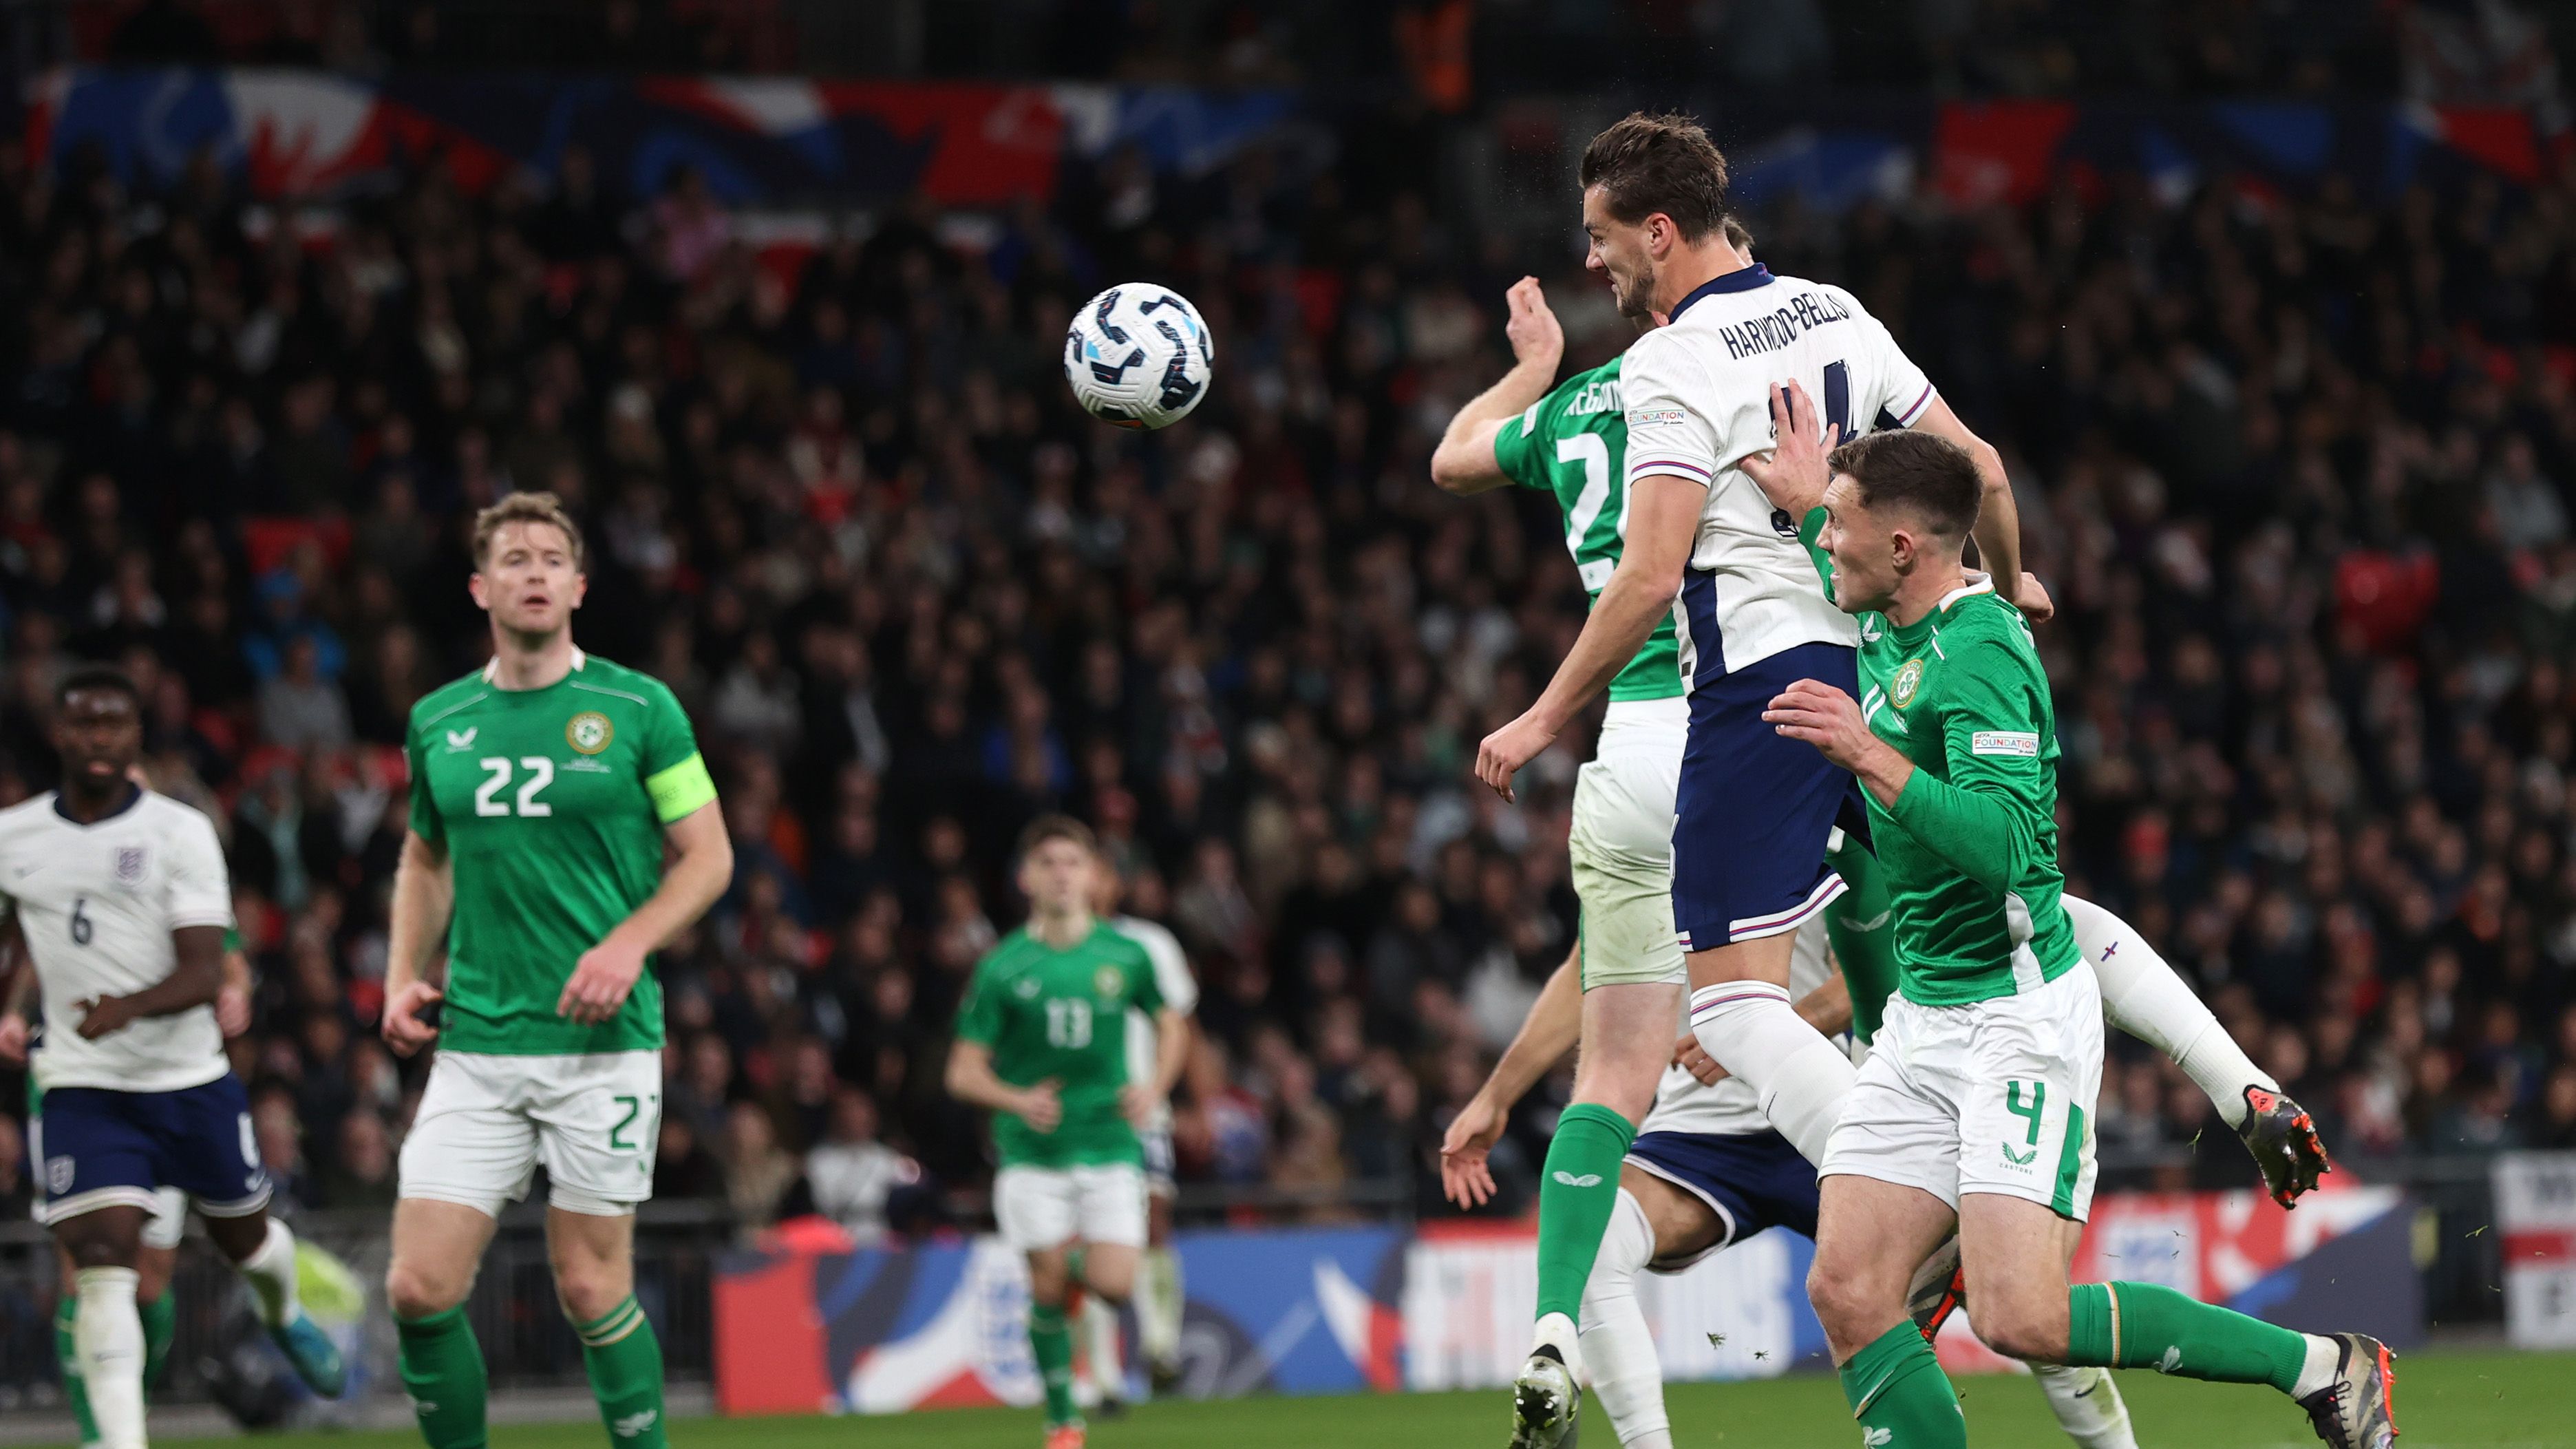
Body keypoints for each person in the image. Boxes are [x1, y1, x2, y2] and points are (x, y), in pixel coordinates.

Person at [1436, 186, 2325, 1443]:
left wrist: (1540, 712)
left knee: (1705, 1044)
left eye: (1601, 235)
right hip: (1877, 958)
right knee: (1868, 1278)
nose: (1589, 258)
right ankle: (2195, 1149)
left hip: (1731, 743)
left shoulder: (1645, 384)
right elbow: (1961, 485)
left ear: (1660, 231)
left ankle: (2282, 1345)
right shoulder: (1869, 530)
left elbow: (1598, 541)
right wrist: (1987, 574)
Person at [1745, 407, 2393, 1448]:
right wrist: (1799, 497)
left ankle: (2323, 1365)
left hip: (2015, 1023)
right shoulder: (1881, 602)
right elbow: (1907, 517)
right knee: (1847, 1288)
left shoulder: (1980, 654)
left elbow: (2009, 846)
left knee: (2021, 1318)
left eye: (1838, 524)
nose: (1825, 542)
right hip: (1921, 1020)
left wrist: (1867, 753)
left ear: (1902, 548)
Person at [1441, 919, 2138, 1449]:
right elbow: (1590, 972)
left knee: (2006, 1284)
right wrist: (1496, 1095)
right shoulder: (1649, 829)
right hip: (1700, 1130)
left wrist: (1751, 1032)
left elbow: (1879, 963)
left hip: (1832, 1105)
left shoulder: (1804, 803)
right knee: (1594, 1239)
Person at [380, 491, 734, 1449]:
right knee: (417, 1287)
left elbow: (708, 856)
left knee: (589, 1285)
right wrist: (400, 973)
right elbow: (426, 856)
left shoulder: (639, 709)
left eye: (550, 559)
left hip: (601, 1048)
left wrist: (629, 943)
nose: (533, 572)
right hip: (478, 1043)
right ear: (480, 587)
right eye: (514, 558)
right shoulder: (438, 719)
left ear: (578, 586)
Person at [0, 666, 343, 1449]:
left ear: (137, 736)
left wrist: (137, 1004)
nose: (98, 738)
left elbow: (208, 961)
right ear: (57, 733)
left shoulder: (179, 830)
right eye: (83, 723)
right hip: (82, 1084)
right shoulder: (15, 836)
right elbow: (30, 935)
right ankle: (115, 1438)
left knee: (245, 1241)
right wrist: (16, 1011)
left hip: (186, 1080)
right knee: (100, 1263)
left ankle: (284, 1310)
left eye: (113, 723)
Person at [946, 817, 1189, 1449]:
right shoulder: (1003, 966)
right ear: (1026, 878)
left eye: (1072, 862)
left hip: (1109, 1145)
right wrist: (1015, 1098)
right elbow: (962, 1071)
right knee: (1046, 1285)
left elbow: (1172, 1024)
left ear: (1093, 876)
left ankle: (1065, 1270)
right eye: (1048, 863)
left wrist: (1155, 1086)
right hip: (1032, 1154)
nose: (1061, 874)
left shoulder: (1125, 955)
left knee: (1112, 1283)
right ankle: (1062, 1421)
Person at [4, 911, 253, 1446]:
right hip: (72, 1088)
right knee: (84, 1268)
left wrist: (236, 992)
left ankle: (126, 1408)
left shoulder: (175, 873)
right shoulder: (49, 871)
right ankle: (100, 1434)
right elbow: (30, 950)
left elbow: (229, 959)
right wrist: (14, 1012)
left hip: (163, 1087)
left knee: (151, 1279)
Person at [1084, 869, 1199, 1408]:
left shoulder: (1150, 944)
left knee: (1154, 1218)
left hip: (1143, 1105)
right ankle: (1103, 1375)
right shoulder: (1043, 949)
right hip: (1080, 1114)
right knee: (1092, 1239)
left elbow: (1179, 1024)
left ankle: (1161, 1348)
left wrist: (1187, 1097)